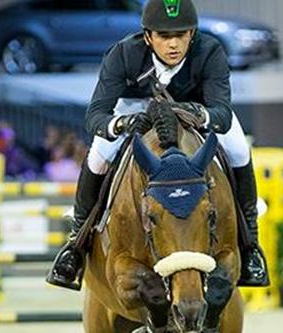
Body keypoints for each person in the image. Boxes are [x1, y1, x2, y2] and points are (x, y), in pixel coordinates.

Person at [46, 0, 268, 290]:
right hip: (134, 109)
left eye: (181, 35)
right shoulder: (124, 53)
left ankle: (250, 243)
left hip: (196, 110)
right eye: (164, 36)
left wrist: (198, 114)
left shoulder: (210, 51)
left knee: (238, 147)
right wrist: (119, 125)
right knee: (100, 155)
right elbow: (96, 114)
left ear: (193, 34)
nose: (173, 44)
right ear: (148, 37)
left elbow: (222, 114)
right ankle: (75, 244)